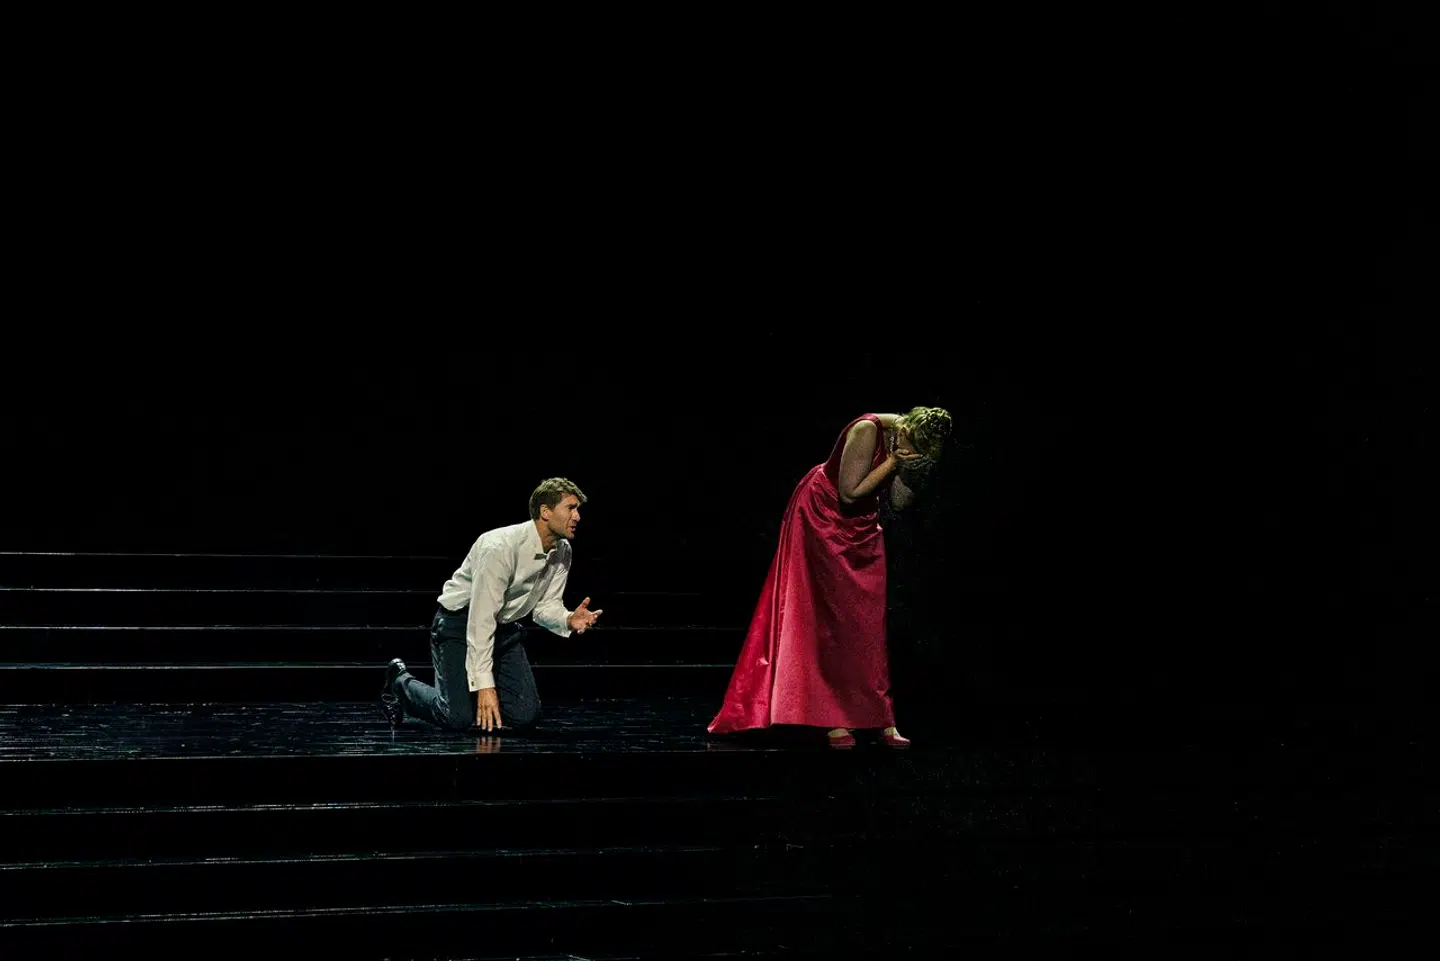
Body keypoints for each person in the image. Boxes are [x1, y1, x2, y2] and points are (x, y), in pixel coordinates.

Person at [707, 407, 951, 748]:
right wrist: (895, 462)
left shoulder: (905, 444)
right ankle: (833, 718)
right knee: (827, 618)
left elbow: (897, 502)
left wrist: (911, 471)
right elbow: (849, 494)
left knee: (865, 621)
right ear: (905, 427)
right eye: (911, 443)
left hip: (861, 526)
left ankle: (881, 718)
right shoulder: (867, 430)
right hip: (822, 517)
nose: (910, 449)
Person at [380, 477, 602, 732]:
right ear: (545, 511)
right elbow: (481, 619)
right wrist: (484, 686)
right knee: (456, 718)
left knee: (526, 716)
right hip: (458, 624)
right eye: (570, 508)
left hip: (504, 628)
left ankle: (467, 695)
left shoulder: (562, 551)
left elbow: (544, 607)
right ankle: (400, 682)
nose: (577, 517)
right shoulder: (499, 547)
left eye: (578, 509)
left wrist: (567, 619)